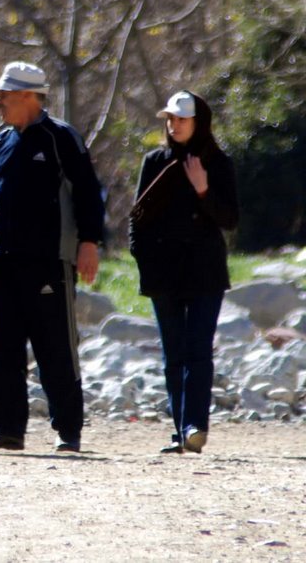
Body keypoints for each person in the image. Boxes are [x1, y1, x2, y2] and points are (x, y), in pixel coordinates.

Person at [0, 61, 105, 453]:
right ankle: (7, 430)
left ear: (28, 95)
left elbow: (88, 194)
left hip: (48, 262)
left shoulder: (61, 138)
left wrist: (89, 242)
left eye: (3, 95)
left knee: (55, 348)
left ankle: (69, 431)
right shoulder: (0, 142)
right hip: (1, 262)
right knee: (0, 351)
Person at [129, 90, 238, 454]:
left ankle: (195, 426)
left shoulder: (218, 163)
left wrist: (203, 190)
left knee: (198, 352)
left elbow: (230, 219)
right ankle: (181, 431)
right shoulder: (154, 160)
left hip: (204, 272)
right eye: (170, 120)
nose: (174, 125)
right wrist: (141, 257)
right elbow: (138, 217)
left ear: (199, 122)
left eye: (181, 119)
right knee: (173, 354)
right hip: (163, 272)